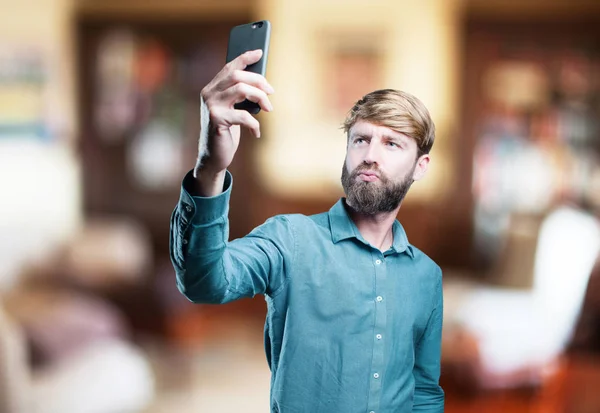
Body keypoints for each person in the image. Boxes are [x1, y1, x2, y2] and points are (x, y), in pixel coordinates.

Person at [170, 49, 444, 413]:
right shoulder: (290, 239)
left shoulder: (427, 276)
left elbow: (424, 391)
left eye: (391, 143)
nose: (370, 155)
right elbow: (204, 281)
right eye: (361, 140)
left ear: (420, 166)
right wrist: (210, 167)